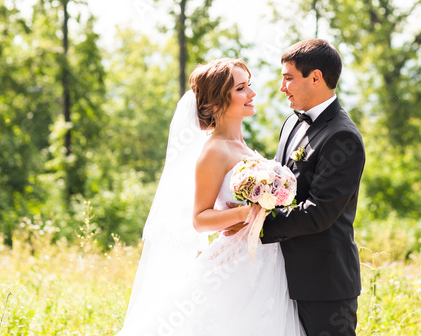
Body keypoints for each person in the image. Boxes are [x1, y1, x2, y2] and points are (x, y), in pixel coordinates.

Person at [117, 58, 305, 335]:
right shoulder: (214, 151)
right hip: (235, 265)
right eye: (241, 88)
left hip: (268, 258)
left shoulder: (243, 147)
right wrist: (245, 213)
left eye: (248, 85)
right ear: (217, 103)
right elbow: (200, 219)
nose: (252, 93)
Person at [225, 39, 365, 335]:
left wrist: (254, 224)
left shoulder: (343, 137)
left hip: (324, 285)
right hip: (280, 276)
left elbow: (319, 212)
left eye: (288, 78)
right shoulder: (291, 123)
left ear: (315, 78)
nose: (282, 87)